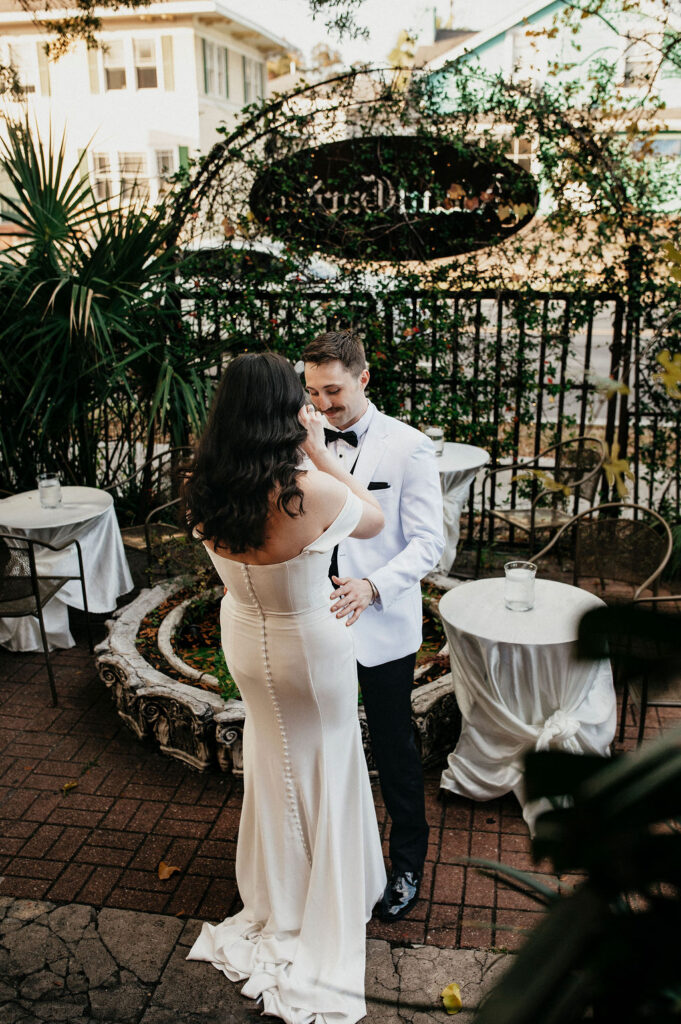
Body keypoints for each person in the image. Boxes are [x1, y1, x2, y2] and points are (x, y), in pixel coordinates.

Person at [183, 351, 387, 1024]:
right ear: (284, 412)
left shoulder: (203, 484)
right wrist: (319, 451)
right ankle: (327, 896)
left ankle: (282, 896)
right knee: (328, 758)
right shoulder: (310, 489)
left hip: (245, 634)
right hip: (308, 645)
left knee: (274, 759)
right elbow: (373, 519)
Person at [302, 331, 444, 923]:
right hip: (315, 621)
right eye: (313, 392)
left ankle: (407, 863)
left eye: (333, 391)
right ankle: (330, 863)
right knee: (323, 743)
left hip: (382, 624)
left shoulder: (408, 447)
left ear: (363, 379)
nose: (323, 404)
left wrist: (373, 585)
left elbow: (429, 544)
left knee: (393, 745)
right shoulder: (303, 439)